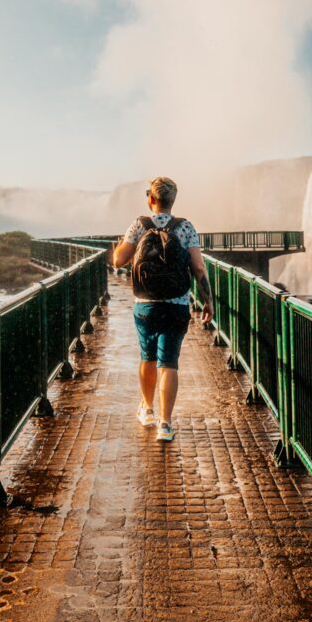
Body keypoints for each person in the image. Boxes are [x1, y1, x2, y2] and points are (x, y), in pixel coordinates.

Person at [112, 176, 214, 442]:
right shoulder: (186, 227)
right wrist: (208, 301)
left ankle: (147, 410)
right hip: (176, 305)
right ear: (173, 200)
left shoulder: (139, 225)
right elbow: (198, 267)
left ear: (151, 199)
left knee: (147, 357)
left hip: (145, 306)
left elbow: (118, 261)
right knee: (168, 363)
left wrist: (120, 246)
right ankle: (165, 425)